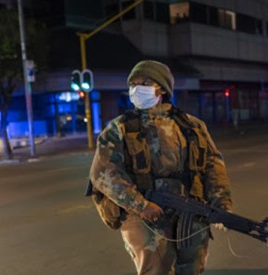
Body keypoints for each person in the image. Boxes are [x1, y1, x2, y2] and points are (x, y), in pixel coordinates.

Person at [89, 60, 233, 275]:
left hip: (190, 212)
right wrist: (141, 205)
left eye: (145, 82)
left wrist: (222, 204)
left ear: (163, 89)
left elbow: (213, 166)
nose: (137, 89)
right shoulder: (119, 128)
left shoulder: (191, 125)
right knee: (155, 270)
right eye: (133, 84)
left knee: (192, 268)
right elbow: (103, 174)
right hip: (144, 216)